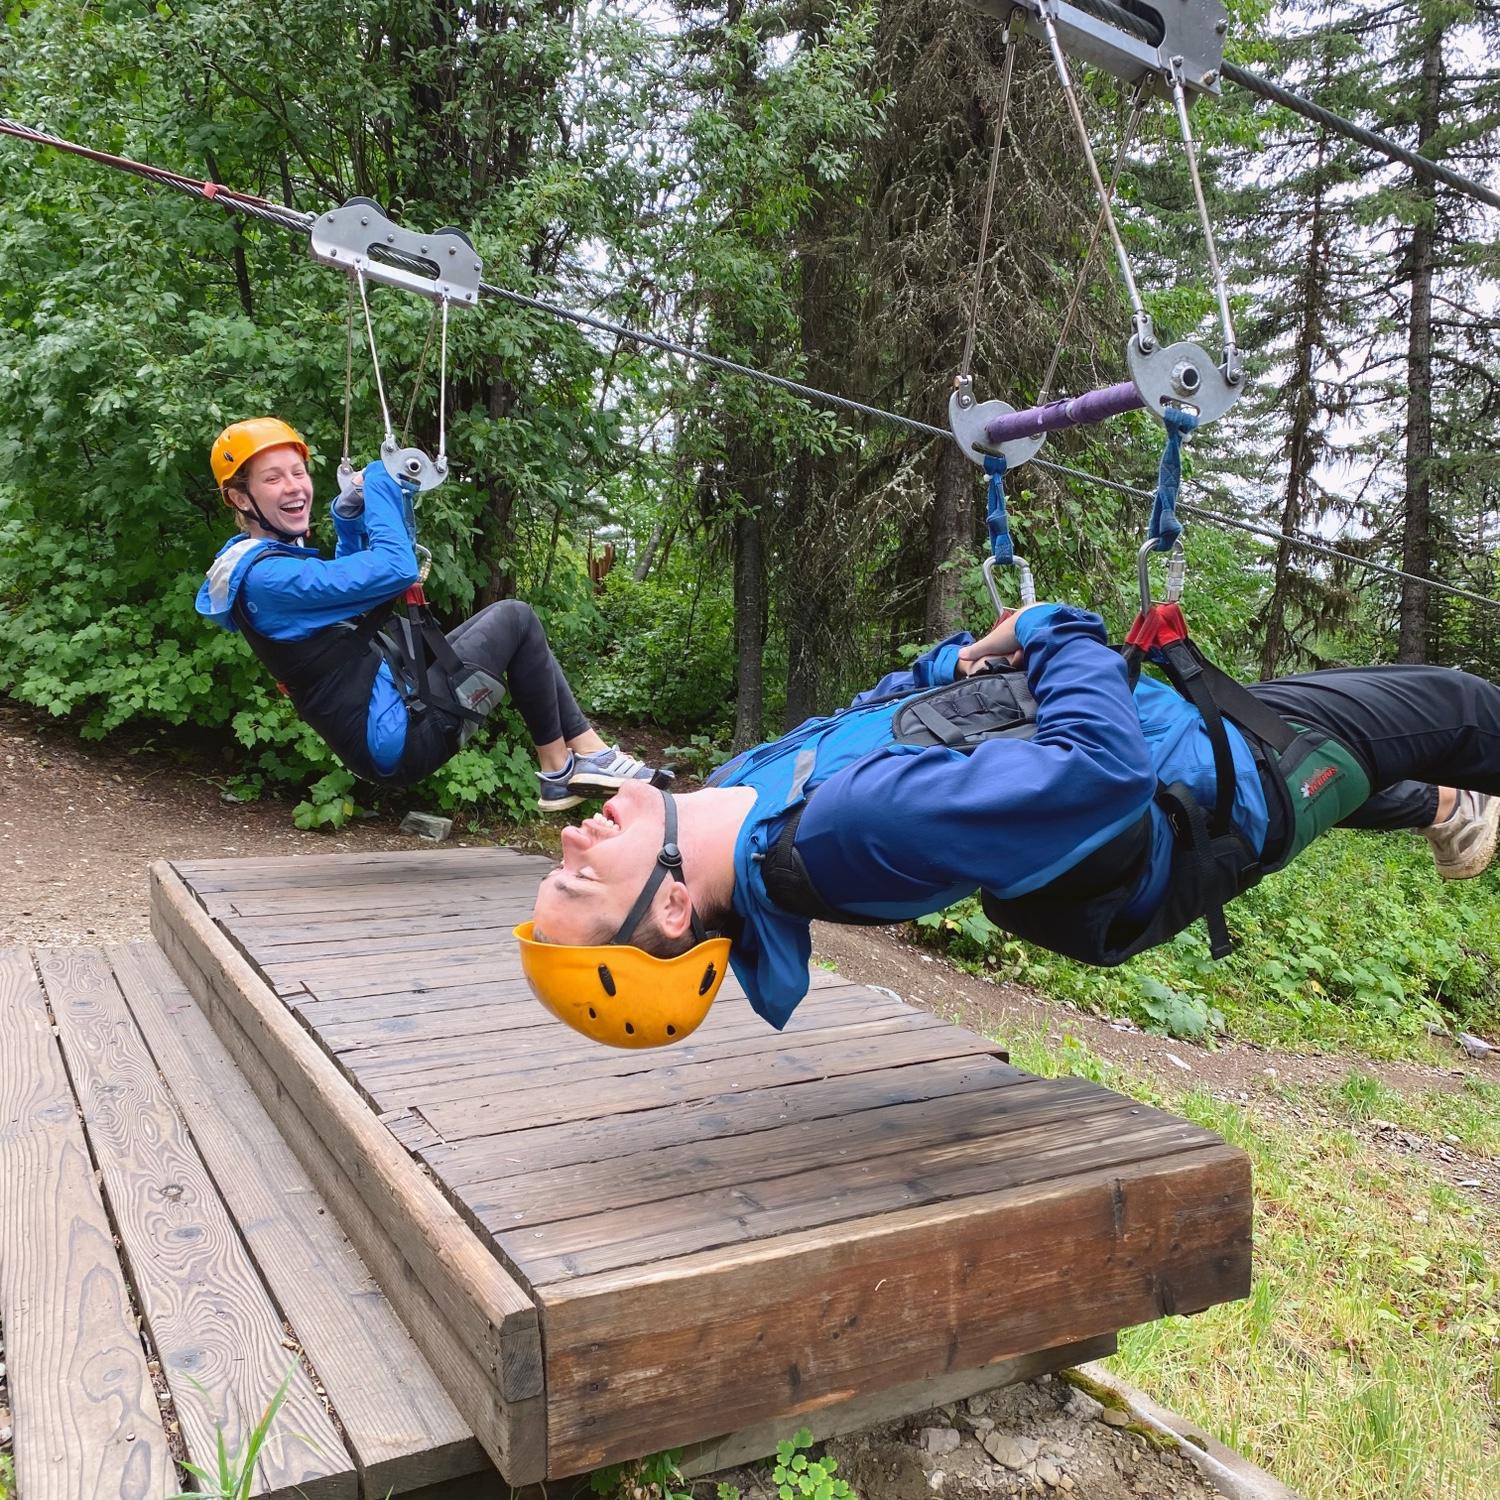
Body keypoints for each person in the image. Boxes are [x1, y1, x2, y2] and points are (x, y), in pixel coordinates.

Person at [515, 598, 1500, 1048]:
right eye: (578, 880)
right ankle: (1455, 799)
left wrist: (952, 663)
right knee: (1462, 712)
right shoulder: (855, 830)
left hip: (1181, 741)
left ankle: (1450, 813)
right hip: (1221, 782)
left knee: (1402, 750)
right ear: (679, 905)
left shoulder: (739, 786)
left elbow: (878, 713)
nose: (568, 839)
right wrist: (1044, 626)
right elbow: (1102, 773)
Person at [196, 417, 668, 809]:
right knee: (516, 619)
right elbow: (396, 569)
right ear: (241, 498)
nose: (295, 486)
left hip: (397, 718)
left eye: (298, 472)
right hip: (401, 737)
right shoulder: (267, 580)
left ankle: (582, 757)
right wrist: (380, 480)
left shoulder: (263, 569)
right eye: (273, 478)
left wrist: (347, 516)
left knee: (517, 626)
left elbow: (358, 587)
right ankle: (563, 768)